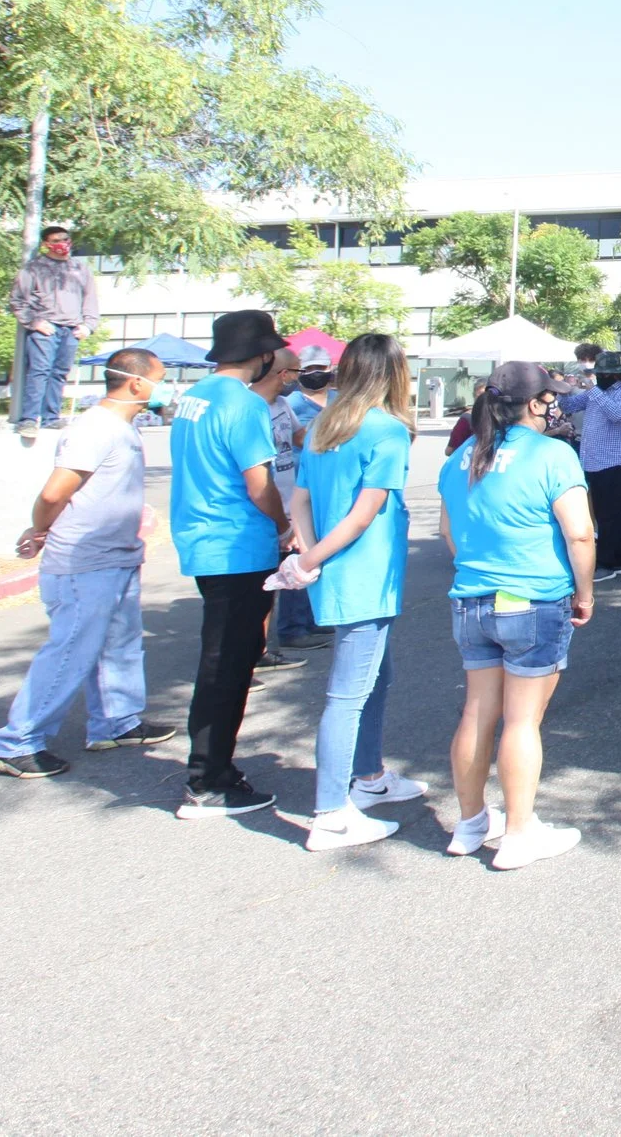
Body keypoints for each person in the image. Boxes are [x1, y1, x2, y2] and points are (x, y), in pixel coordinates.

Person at [0, 348, 180, 778]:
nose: (167, 387)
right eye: (162, 378)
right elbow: (55, 493)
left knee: (120, 644)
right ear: (136, 383)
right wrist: (39, 529)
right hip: (84, 563)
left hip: (117, 556)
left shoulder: (122, 428)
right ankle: (19, 743)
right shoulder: (96, 429)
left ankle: (117, 721)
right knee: (72, 650)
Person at [437, 361, 597, 870]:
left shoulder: (462, 455)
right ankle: (520, 830)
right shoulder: (553, 455)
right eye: (550, 397)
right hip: (532, 599)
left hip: (472, 599)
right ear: (534, 404)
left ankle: (469, 823)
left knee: (477, 714)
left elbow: (448, 533)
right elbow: (580, 534)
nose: (556, 405)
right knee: (522, 722)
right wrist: (585, 592)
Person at [289, 333, 427, 852]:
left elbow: (299, 501)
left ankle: (369, 777)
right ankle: (329, 813)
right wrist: (309, 558)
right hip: (364, 576)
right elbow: (363, 514)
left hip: (340, 573)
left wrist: (308, 554)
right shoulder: (387, 430)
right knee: (347, 695)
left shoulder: (324, 425)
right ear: (395, 375)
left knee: (376, 677)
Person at [168, 309, 296, 818]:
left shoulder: (194, 396)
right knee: (228, 666)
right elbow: (258, 483)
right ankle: (208, 778)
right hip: (237, 544)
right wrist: (284, 526)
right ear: (264, 355)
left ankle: (214, 766)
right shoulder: (242, 405)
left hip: (203, 540)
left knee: (225, 660)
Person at [257, 348, 325, 657]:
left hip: (290, 499)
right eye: (298, 371)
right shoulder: (253, 409)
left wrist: (332, 426)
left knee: (299, 563)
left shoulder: (283, 405)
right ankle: (261, 649)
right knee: (263, 584)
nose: (301, 377)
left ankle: (298, 626)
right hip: (266, 506)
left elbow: (299, 437)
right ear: (284, 375)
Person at [9, 224, 100, 431]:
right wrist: (35, 322)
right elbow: (17, 300)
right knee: (39, 371)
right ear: (46, 244)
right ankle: (29, 419)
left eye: (66, 239)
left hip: (71, 329)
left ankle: (51, 418)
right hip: (45, 327)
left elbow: (90, 299)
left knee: (60, 373)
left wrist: (88, 325)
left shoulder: (79, 269)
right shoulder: (34, 268)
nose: (63, 244)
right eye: (57, 240)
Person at [560, 350, 621, 578]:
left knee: (608, 516)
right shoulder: (594, 394)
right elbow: (568, 407)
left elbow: (617, 415)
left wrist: (593, 389)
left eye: (603, 374)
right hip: (593, 462)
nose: (600, 377)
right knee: (608, 514)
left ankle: (605, 565)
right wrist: (564, 390)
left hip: (614, 462)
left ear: (615, 374)